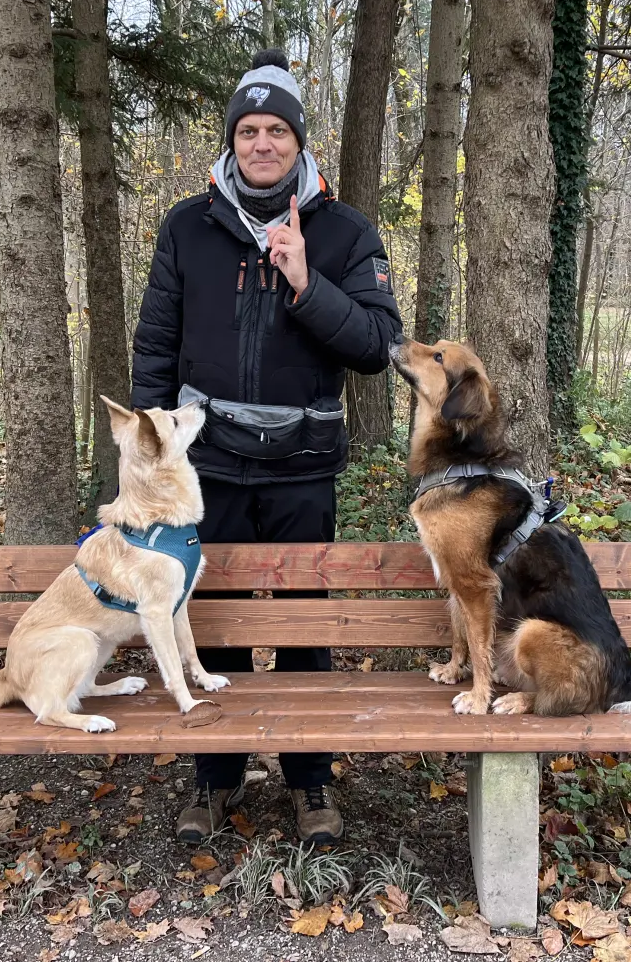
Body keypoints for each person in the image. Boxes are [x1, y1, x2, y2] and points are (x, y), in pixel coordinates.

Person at [130, 49, 402, 847]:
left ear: (298, 140)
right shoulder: (188, 225)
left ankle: (310, 780)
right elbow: (155, 346)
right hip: (204, 471)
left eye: (276, 129)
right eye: (248, 130)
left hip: (302, 468)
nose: (261, 144)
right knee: (204, 619)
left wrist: (308, 285)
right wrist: (151, 455)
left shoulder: (345, 230)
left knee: (303, 625)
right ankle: (215, 778)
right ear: (232, 140)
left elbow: (377, 346)